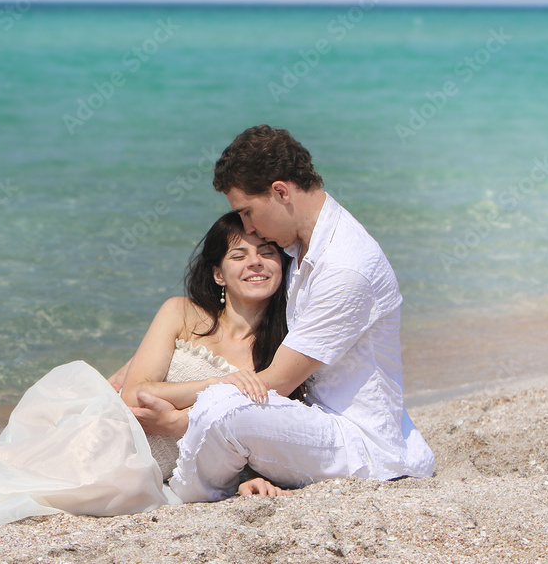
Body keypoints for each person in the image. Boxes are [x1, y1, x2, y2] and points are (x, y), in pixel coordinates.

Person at [0, 212, 296, 532]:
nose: (255, 264)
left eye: (267, 253)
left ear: (283, 266)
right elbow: (137, 395)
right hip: (116, 427)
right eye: (239, 255)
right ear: (218, 273)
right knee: (39, 461)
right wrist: (220, 384)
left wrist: (252, 478)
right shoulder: (182, 313)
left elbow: (258, 430)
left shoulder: (281, 355)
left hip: (160, 474)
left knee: (66, 493)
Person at [135, 125, 435, 502]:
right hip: (313, 419)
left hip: (359, 442)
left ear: (280, 192)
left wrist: (179, 421)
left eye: (247, 212)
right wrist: (137, 370)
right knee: (227, 399)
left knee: (226, 408)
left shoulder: (344, 267)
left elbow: (275, 383)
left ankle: (182, 496)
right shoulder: (299, 249)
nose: (248, 227)